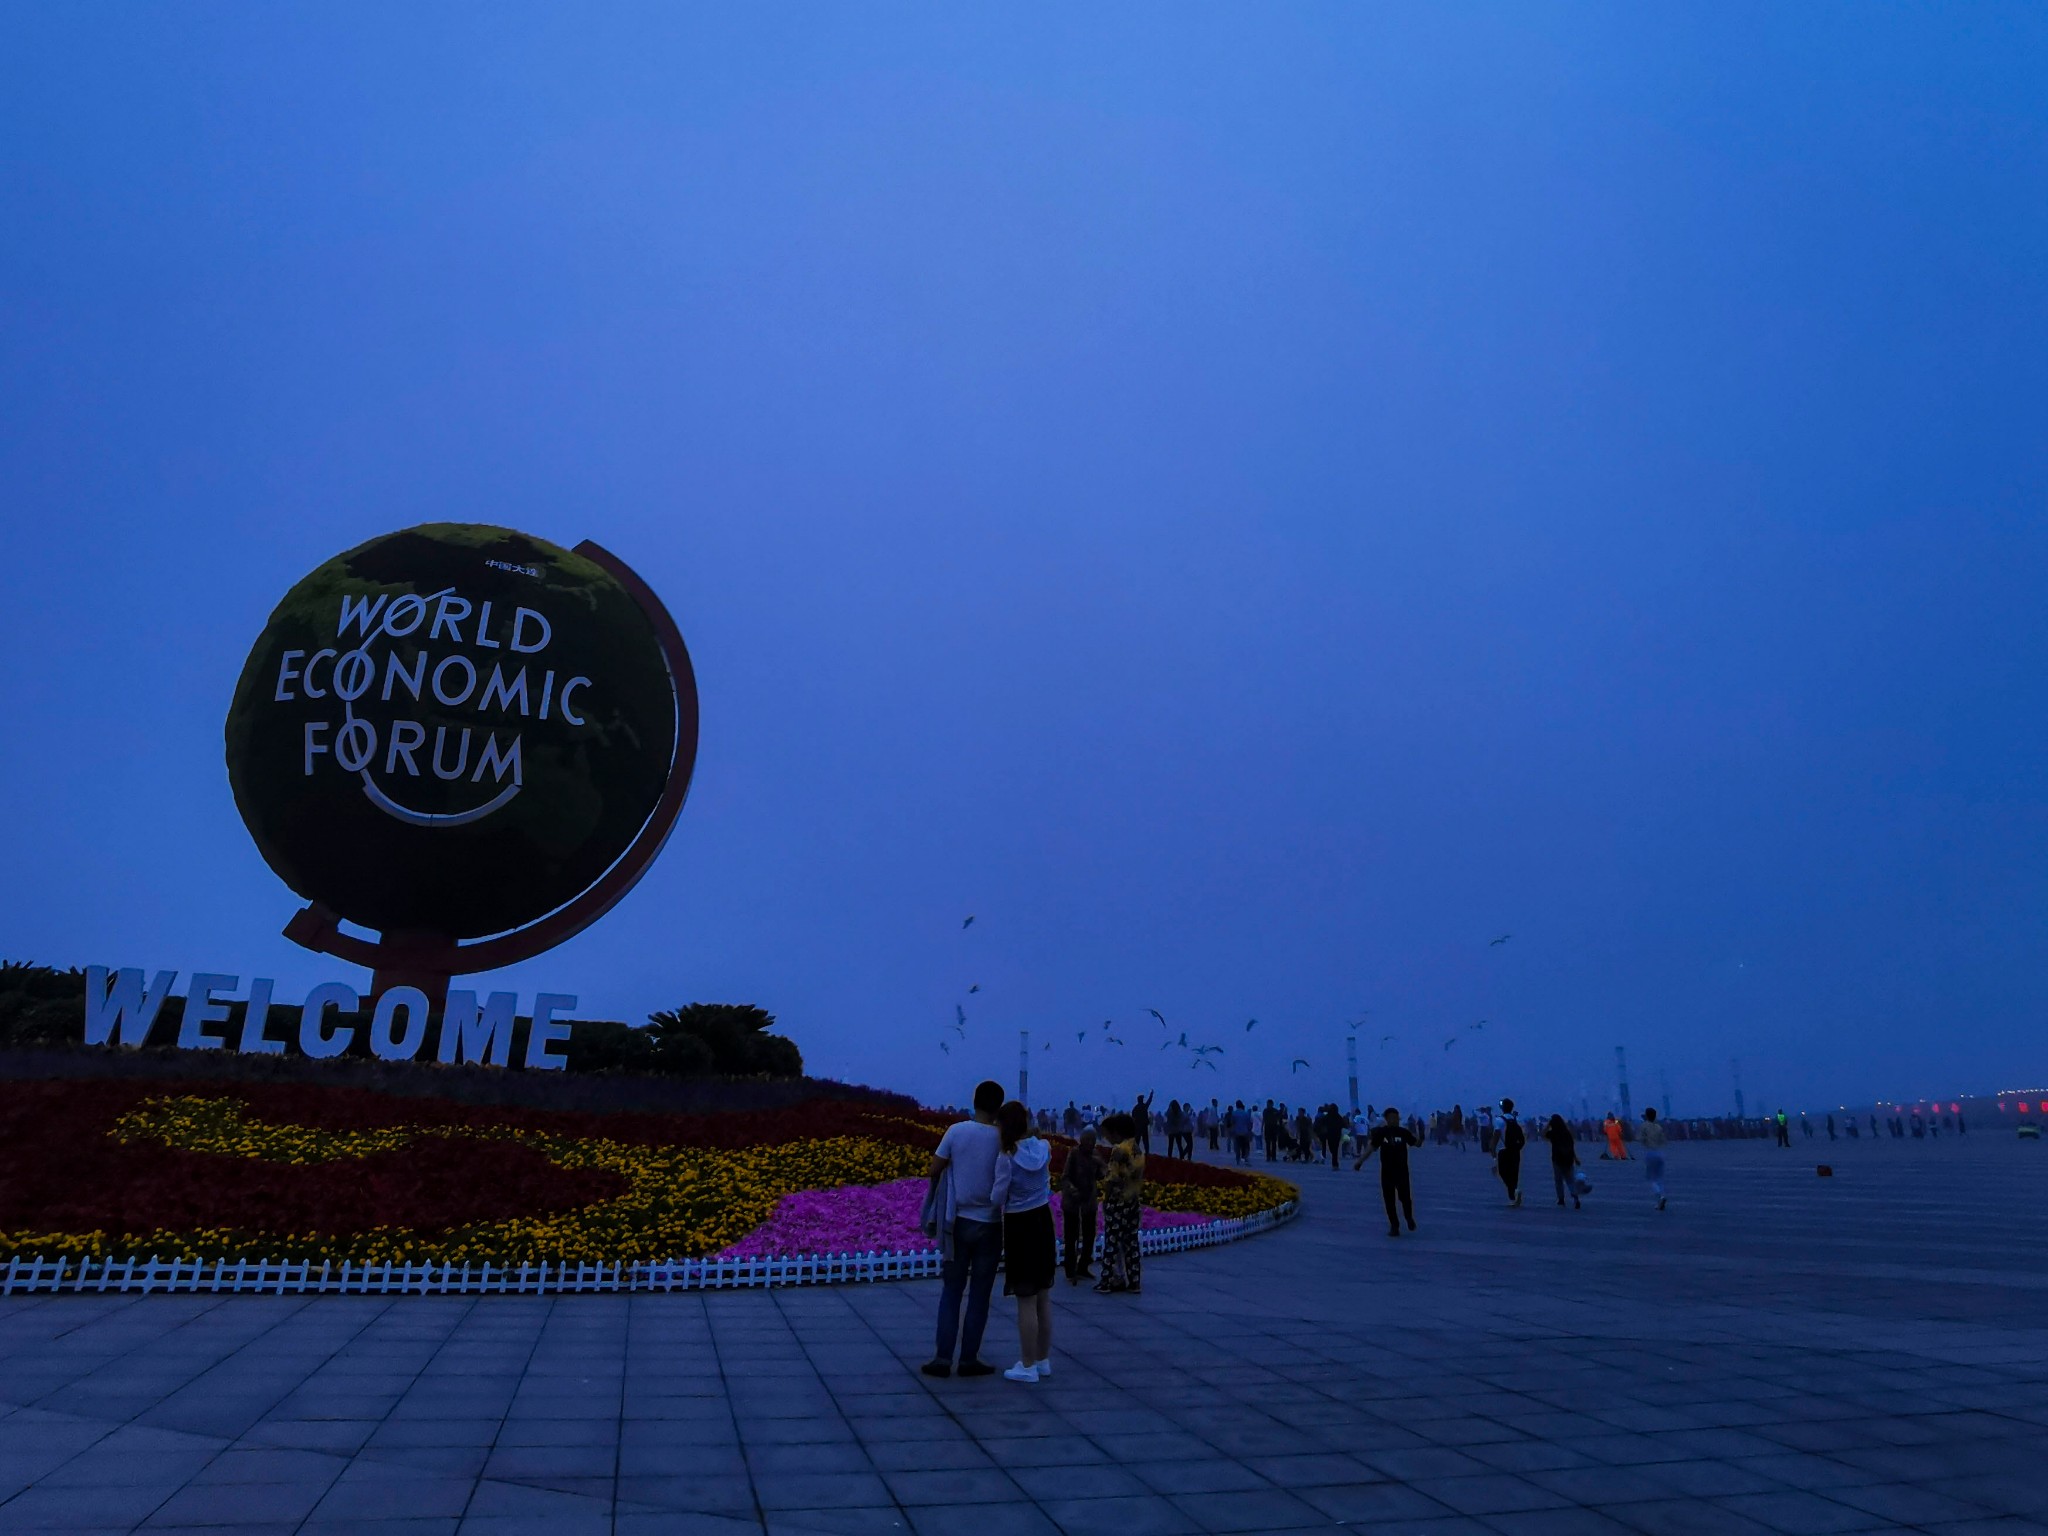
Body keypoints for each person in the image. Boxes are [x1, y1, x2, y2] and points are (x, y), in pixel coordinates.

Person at [921, 1079, 1006, 1378]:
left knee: (952, 1291)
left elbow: (934, 1168)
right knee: (980, 1295)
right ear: (998, 1106)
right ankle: (969, 1358)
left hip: (957, 1222)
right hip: (991, 1223)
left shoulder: (956, 1131)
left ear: (974, 1101)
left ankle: (943, 1358)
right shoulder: (1002, 1138)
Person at [990, 1101, 1057, 1382]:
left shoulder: (1007, 1157)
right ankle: (1042, 1360)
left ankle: (1027, 1365)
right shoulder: (1043, 1148)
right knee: (1043, 1296)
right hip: (1043, 1220)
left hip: (1020, 1224)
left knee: (1025, 1299)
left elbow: (997, 1197)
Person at [1095, 1112, 1144, 1294]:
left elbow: (1111, 1178)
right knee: (1131, 1243)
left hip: (1117, 1202)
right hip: (1133, 1200)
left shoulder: (1119, 1150)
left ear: (1117, 1132)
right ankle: (1134, 1281)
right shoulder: (1137, 1149)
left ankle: (1107, 1281)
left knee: (1112, 1242)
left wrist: (1106, 1197)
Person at [1359, 1106, 1421, 1235]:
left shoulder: (1403, 1132)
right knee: (1389, 1200)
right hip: (1387, 1172)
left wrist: (1421, 1137)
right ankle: (1394, 1226)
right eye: (1392, 1118)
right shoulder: (1381, 1133)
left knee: (1405, 1198)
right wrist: (1360, 1161)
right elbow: (1371, 1148)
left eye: (1396, 1118)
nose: (1394, 1120)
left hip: (1402, 1171)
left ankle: (1409, 1218)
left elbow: (1416, 1143)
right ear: (1386, 1119)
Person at [1059, 1126, 1101, 1284]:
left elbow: (1102, 1174)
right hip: (1073, 1201)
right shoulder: (1074, 1153)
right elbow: (1065, 1177)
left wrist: (1100, 1164)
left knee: (1090, 1235)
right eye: (1087, 1140)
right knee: (1071, 1236)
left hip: (1089, 1200)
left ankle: (1083, 1265)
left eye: (1093, 1140)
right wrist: (1072, 1190)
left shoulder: (1095, 1154)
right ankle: (1070, 1269)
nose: (1090, 1143)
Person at [1545, 1113, 1581, 1209]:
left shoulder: (1553, 1133)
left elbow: (1542, 1134)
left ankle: (1561, 1199)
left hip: (1557, 1158)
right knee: (1570, 1180)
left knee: (1558, 1180)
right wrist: (1575, 1158)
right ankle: (1575, 1197)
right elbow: (1571, 1146)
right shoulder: (1567, 1133)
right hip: (1568, 1159)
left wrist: (1548, 1124)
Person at [1495, 1098, 1524, 1207]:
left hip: (1504, 1150)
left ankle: (1513, 1193)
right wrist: (1517, 1147)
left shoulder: (1499, 1120)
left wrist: (1492, 1150)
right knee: (1514, 1173)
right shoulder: (1515, 1119)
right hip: (1515, 1150)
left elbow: (1496, 1135)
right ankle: (1513, 1195)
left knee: (1503, 1172)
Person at [1640, 1107, 1668, 1210]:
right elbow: (1663, 1140)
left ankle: (1660, 1197)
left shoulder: (1644, 1126)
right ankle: (1662, 1196)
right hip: (1660, 1153)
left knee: (1652, 1178)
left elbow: (1641, 1139)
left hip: (1650, 1152)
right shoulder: (1658, 1127)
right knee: (1659, 1178)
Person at [1230, 1101, 1253, 1165]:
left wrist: (1232, 1131)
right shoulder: (1246, 1114)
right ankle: (1245, 1158)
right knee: (1246, 1146)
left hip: (1237, 1132)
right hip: (1245, 1132)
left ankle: (1238, 1159)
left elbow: (1232, 1123)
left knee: (1237, 1146)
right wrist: (1250, 1132)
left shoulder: (1234, 1113)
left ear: (1236, 1105)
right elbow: (1249, 1124)